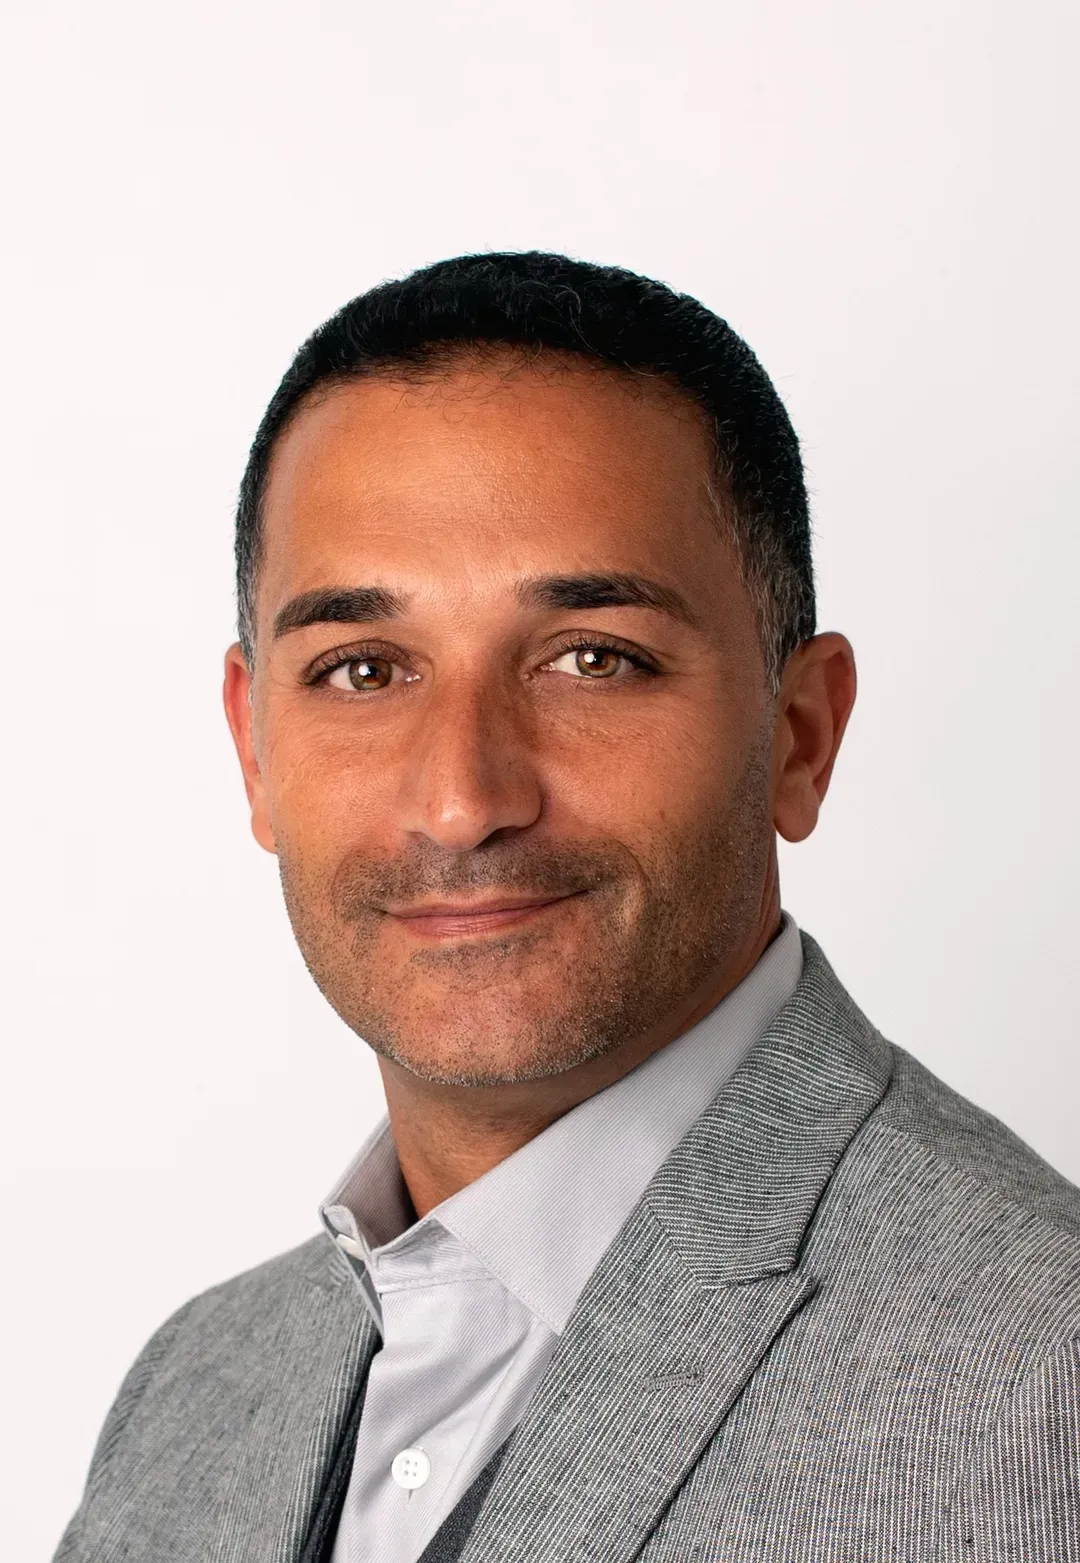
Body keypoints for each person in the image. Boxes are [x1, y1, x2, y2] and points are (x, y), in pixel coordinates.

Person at [56, 252, 1080, 1563]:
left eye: (594, 658)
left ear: (801, 734)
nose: (462, 797)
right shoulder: (191, 1394)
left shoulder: (1039, 1382)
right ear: (255, 750)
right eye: (363, 669)